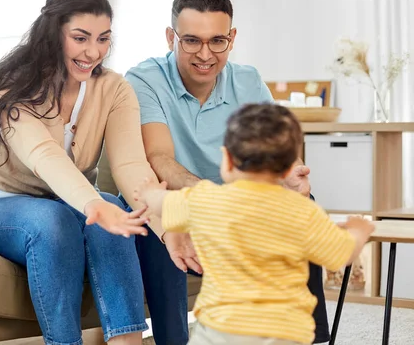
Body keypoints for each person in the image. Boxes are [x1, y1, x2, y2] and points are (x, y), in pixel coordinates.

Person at [125, 0, 331, 344]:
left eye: (217, 41)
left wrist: (291, 176)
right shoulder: (145, 79)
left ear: (231, 38)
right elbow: (158, 157)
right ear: (171, 37)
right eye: (191, 40)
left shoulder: (248, 80)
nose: (205, 54)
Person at [0, 0, 160, 345]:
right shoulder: (10, 87)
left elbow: (131, 164)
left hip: (71, 204)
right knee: (64, 217)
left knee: (113, 212)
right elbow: (44, 156)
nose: (93, 51)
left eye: (103, 39)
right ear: (54, 33)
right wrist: (94, 205)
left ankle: (127, 342)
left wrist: (165, 219)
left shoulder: (114, 89)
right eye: (81, 38)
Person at [133, 103, 375, 345]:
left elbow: (163, 204)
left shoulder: (207, 199)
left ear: (227, 160)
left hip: (219, 329)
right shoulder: (302, 211)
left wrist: (149, 192)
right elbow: (340, 253)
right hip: (283, 332)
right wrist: (358, 231)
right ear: (289, 167)